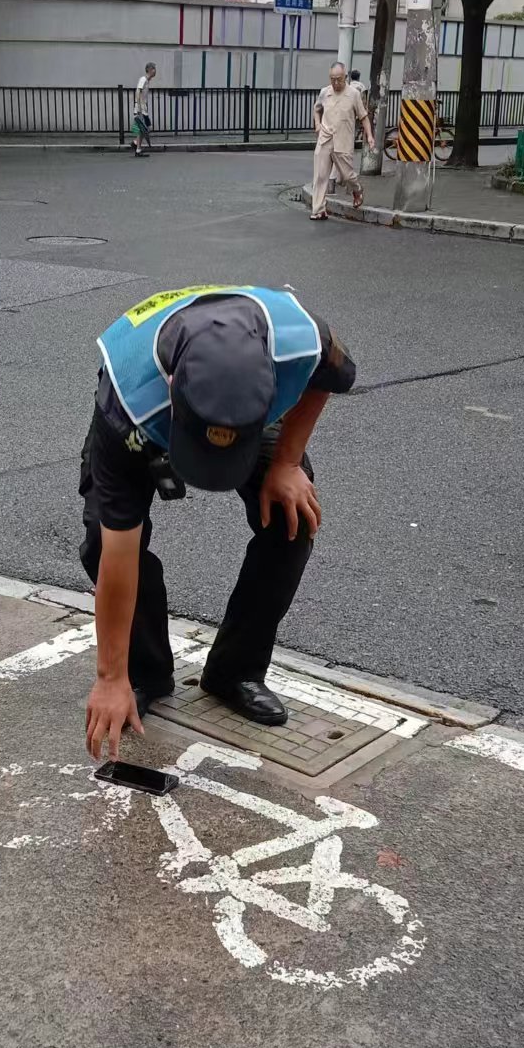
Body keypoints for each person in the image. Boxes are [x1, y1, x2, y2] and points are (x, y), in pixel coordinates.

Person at [80, 285, 356, 761]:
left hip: (242, 410)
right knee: (102, 544)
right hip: (146, 417)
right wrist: (109, 676)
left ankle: (235, 671)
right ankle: (143, 674)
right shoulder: (129, 400)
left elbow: (327, 377)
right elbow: (119, 551)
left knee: (292, 517)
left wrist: (287, 462)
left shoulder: (303, 339)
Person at [311, 62, 374, 221]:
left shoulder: (353, 94)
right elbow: (317, 109)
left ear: (345, 77)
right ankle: (318, 209)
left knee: (346, 176)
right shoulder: (325, 92)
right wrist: (317, 124)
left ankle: (357, 189)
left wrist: (369, 136)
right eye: (332, 79)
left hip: (343, 140)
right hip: (325, 138)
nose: (335, 82)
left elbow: (364, 117)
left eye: (338, 79)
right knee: (320, 176)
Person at [132, 61, 156, 157]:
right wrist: (138, 108)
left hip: (143, 108)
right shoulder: (143, 79)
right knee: (143, 128)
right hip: (140, 109)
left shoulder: (147, 81)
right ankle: (137, 149)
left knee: (145, 129)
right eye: (154, 69)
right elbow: (138, 91)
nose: (155, 71)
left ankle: (135, 144)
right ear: (149, 69)